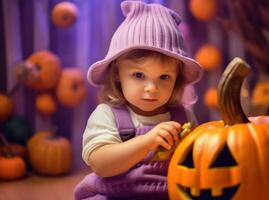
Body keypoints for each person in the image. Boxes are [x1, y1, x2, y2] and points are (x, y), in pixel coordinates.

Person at [74, 1, 203, 199]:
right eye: (139, 75)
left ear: (177, 78)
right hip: (115, 195)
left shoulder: (183, 118)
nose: (152, 88)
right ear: (117, 73)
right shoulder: (108, 115)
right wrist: (146, 142)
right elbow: (100, 164)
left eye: (164, 77)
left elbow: (198, 163)